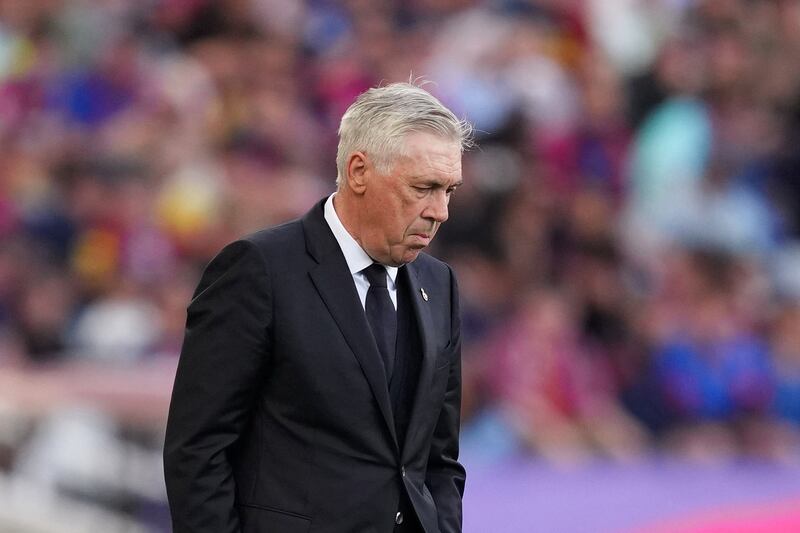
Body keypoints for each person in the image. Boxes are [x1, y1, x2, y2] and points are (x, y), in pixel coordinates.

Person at [164, 82, 472, 533]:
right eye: (424, 187)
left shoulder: (439, 284)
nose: (440, 210)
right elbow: (198, 449)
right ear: (359, 171)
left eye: (449, 190)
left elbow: (438, 459)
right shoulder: (259, 270)